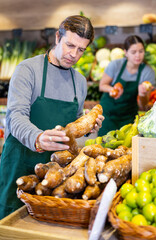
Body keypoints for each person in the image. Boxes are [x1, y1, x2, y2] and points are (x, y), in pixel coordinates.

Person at [0, 15, 104, 219]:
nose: (74, 54)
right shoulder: (27, 70)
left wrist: (87, 128)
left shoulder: (80, 82)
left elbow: (73, 126)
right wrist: (38, 138)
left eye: (81, 50)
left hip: (55, 173)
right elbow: (16, 117)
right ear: (58, 37)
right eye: (69, 45)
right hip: (19, 164)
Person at [98, 35, 156, 136]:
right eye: (133, 52)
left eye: (141, 51)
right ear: (126, 53)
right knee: (104, 144)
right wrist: (112, 90)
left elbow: (143, 104)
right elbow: (102, 85)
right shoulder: (115, 65)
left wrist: (142, 94)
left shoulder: (148, 72)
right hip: (108, 115)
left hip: (128, 118)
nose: (138, 55)